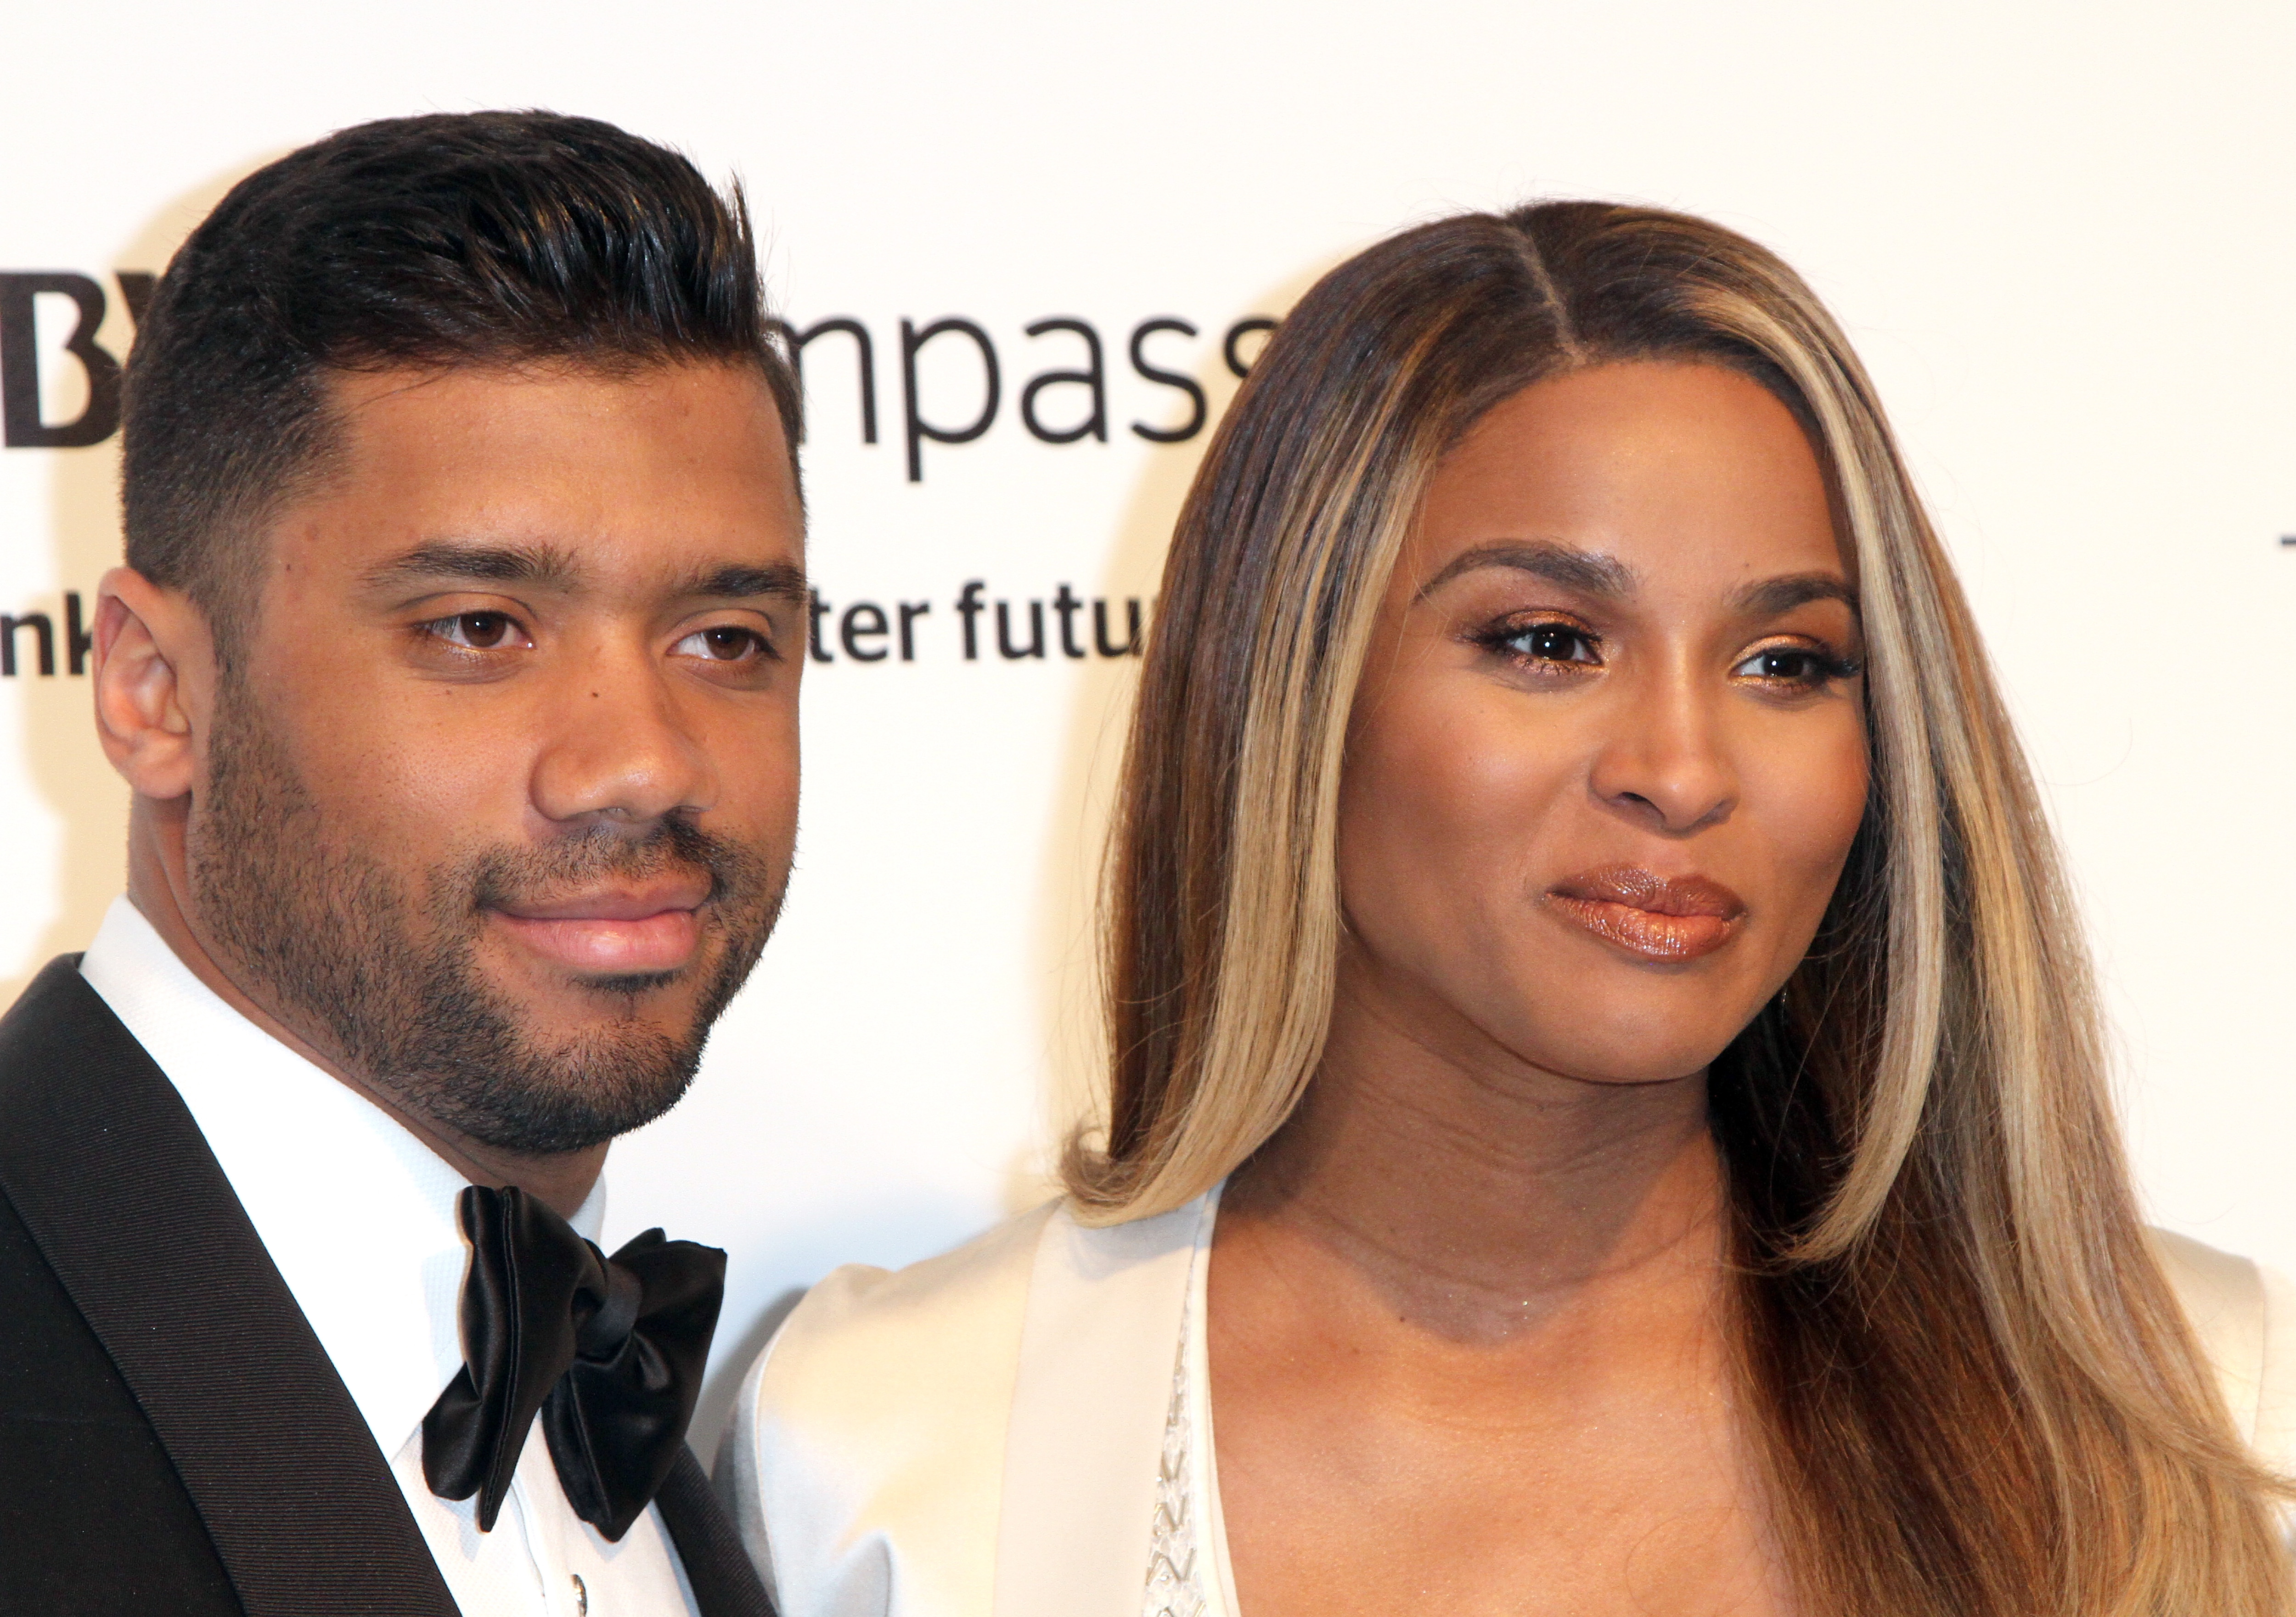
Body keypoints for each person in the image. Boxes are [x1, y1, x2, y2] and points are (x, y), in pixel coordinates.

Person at [726, 202, 2296, 1617]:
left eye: (1786, 663)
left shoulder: (2213, 1412)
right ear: (1294, 692)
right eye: (1549, 641)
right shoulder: (891, 1445)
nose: (1682, 769)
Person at [0, 111, 804, 1615]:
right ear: (154, 691)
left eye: (723, 638)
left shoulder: (655, 1438)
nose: (643, 762)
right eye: (480, 629)